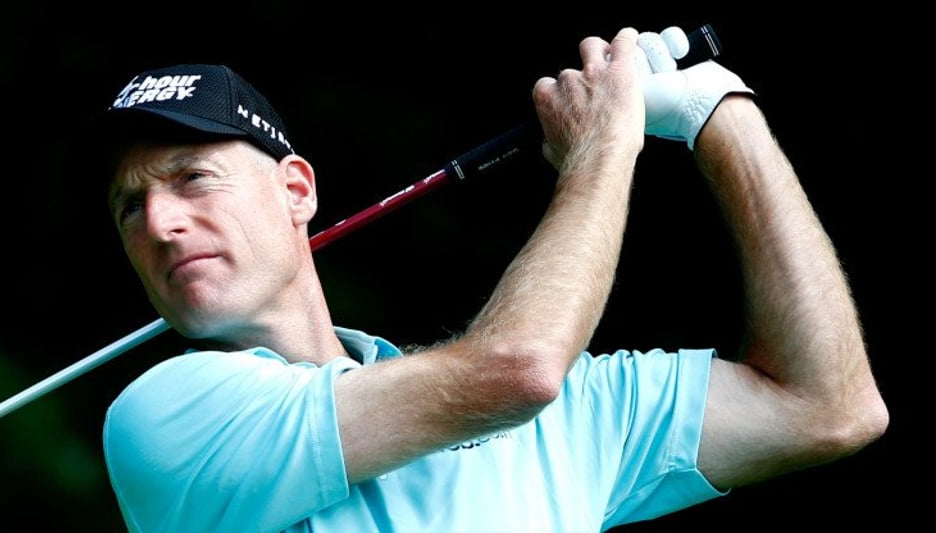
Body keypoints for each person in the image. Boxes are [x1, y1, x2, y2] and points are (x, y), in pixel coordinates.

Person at [93, 25, 888, 532]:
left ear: (296, 190)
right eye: (131, 206)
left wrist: (718, 111)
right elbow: (519, 369)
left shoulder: (565, 423)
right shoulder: (164, 420)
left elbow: (829, 405)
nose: (160, 222)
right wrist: (604, 148)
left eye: (193, 178)